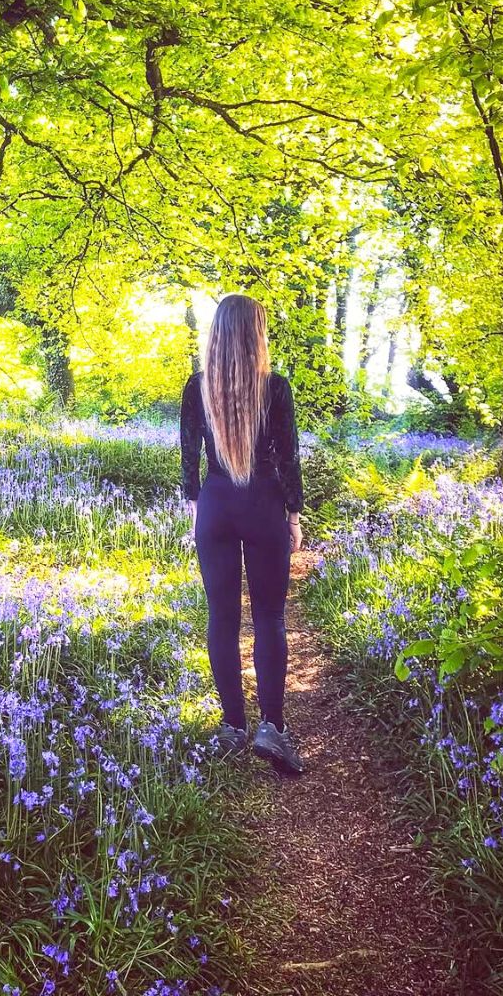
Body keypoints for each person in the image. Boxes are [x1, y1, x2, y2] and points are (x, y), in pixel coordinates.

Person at [179, 293, 305, 774]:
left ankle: (232, 725)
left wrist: (197, 509)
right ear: (256, 335)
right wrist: (294, 514)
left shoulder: (197, 387)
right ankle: (272, 727)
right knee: (270, 617)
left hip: (216, 505)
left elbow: (188, 456)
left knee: (222, 618)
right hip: (263, 502)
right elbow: (288, 456)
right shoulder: (275, 387)